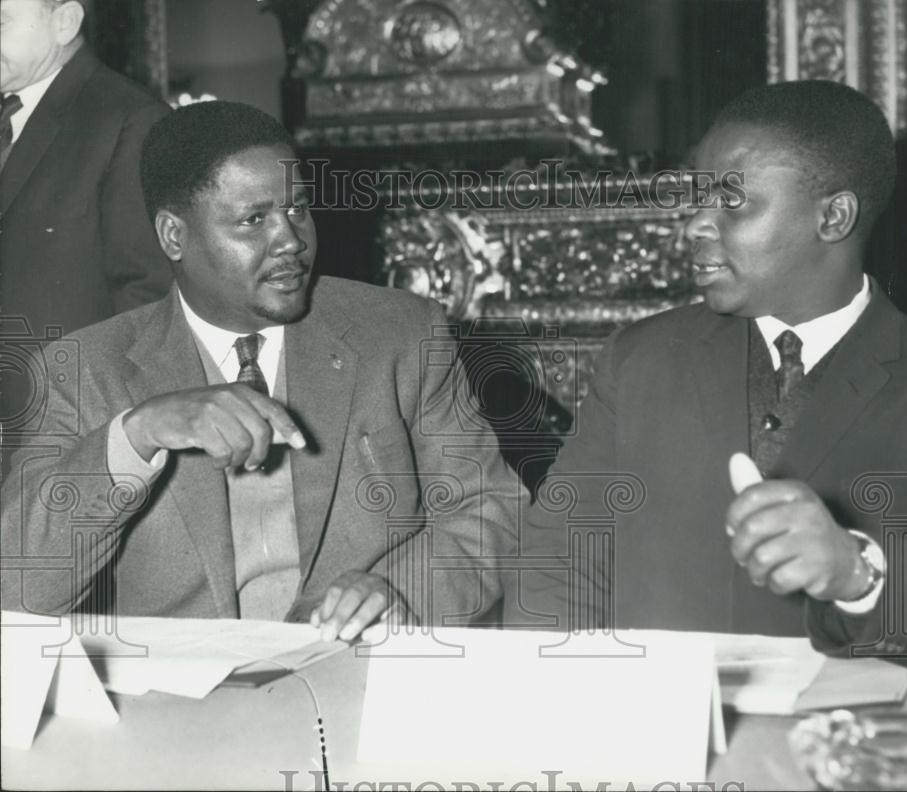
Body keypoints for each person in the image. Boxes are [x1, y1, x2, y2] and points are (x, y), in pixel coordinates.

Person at [508, 80, 907, 657]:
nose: (694, 225)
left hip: (837, 738)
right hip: (644, 732)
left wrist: (856, 573)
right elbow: (558, 563)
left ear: (834, 217)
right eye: (697, 198)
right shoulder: (640, 357)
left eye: (733, 201)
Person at [0, 101, 523, 640]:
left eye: (297, 210)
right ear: (173, 236)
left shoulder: (400, 333)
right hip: (178, 709)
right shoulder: (84, 370)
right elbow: (16, 590)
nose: (291, 241)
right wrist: (136, 435)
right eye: (254, 220)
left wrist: (402, 591)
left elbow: (492, 508)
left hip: (358, 680)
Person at [1, 0, 172, 426]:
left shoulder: (131, 119)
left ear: (65, 22)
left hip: (64, 422)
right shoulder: (11, 108)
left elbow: (147, 300)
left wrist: (105, 433)